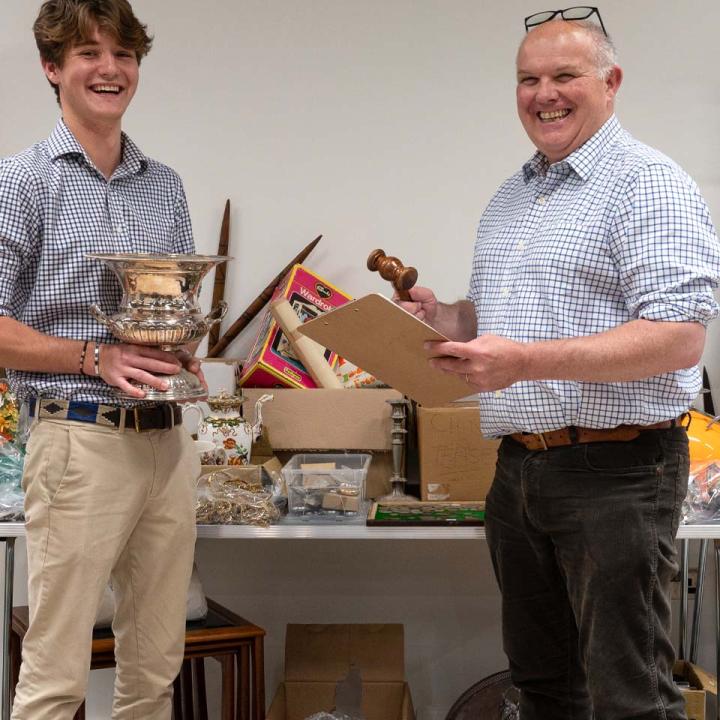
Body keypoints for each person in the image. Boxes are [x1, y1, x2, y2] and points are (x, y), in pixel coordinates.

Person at [399, 13, 720, 720]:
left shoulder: (649, 184)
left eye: (564, 76)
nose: (544, 94)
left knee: (628, 698)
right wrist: (452, 319)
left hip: (618, 473)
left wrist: (525, 363)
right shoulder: (515, 196)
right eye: (528, 79)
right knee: (542, 689)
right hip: (518, 472)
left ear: (610, 82)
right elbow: (514, 320)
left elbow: (677, 338)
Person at [0, 1, 203, 717]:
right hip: (77, 443)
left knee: (154, 671)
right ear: (52, 69)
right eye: (87, 52)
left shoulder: (164, 185)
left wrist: (177, 353)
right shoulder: (20, 181)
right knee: (56, 675)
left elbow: (167, 307)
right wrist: (94, 356)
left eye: (123, 53)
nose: (109, 68)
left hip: (166, 445)